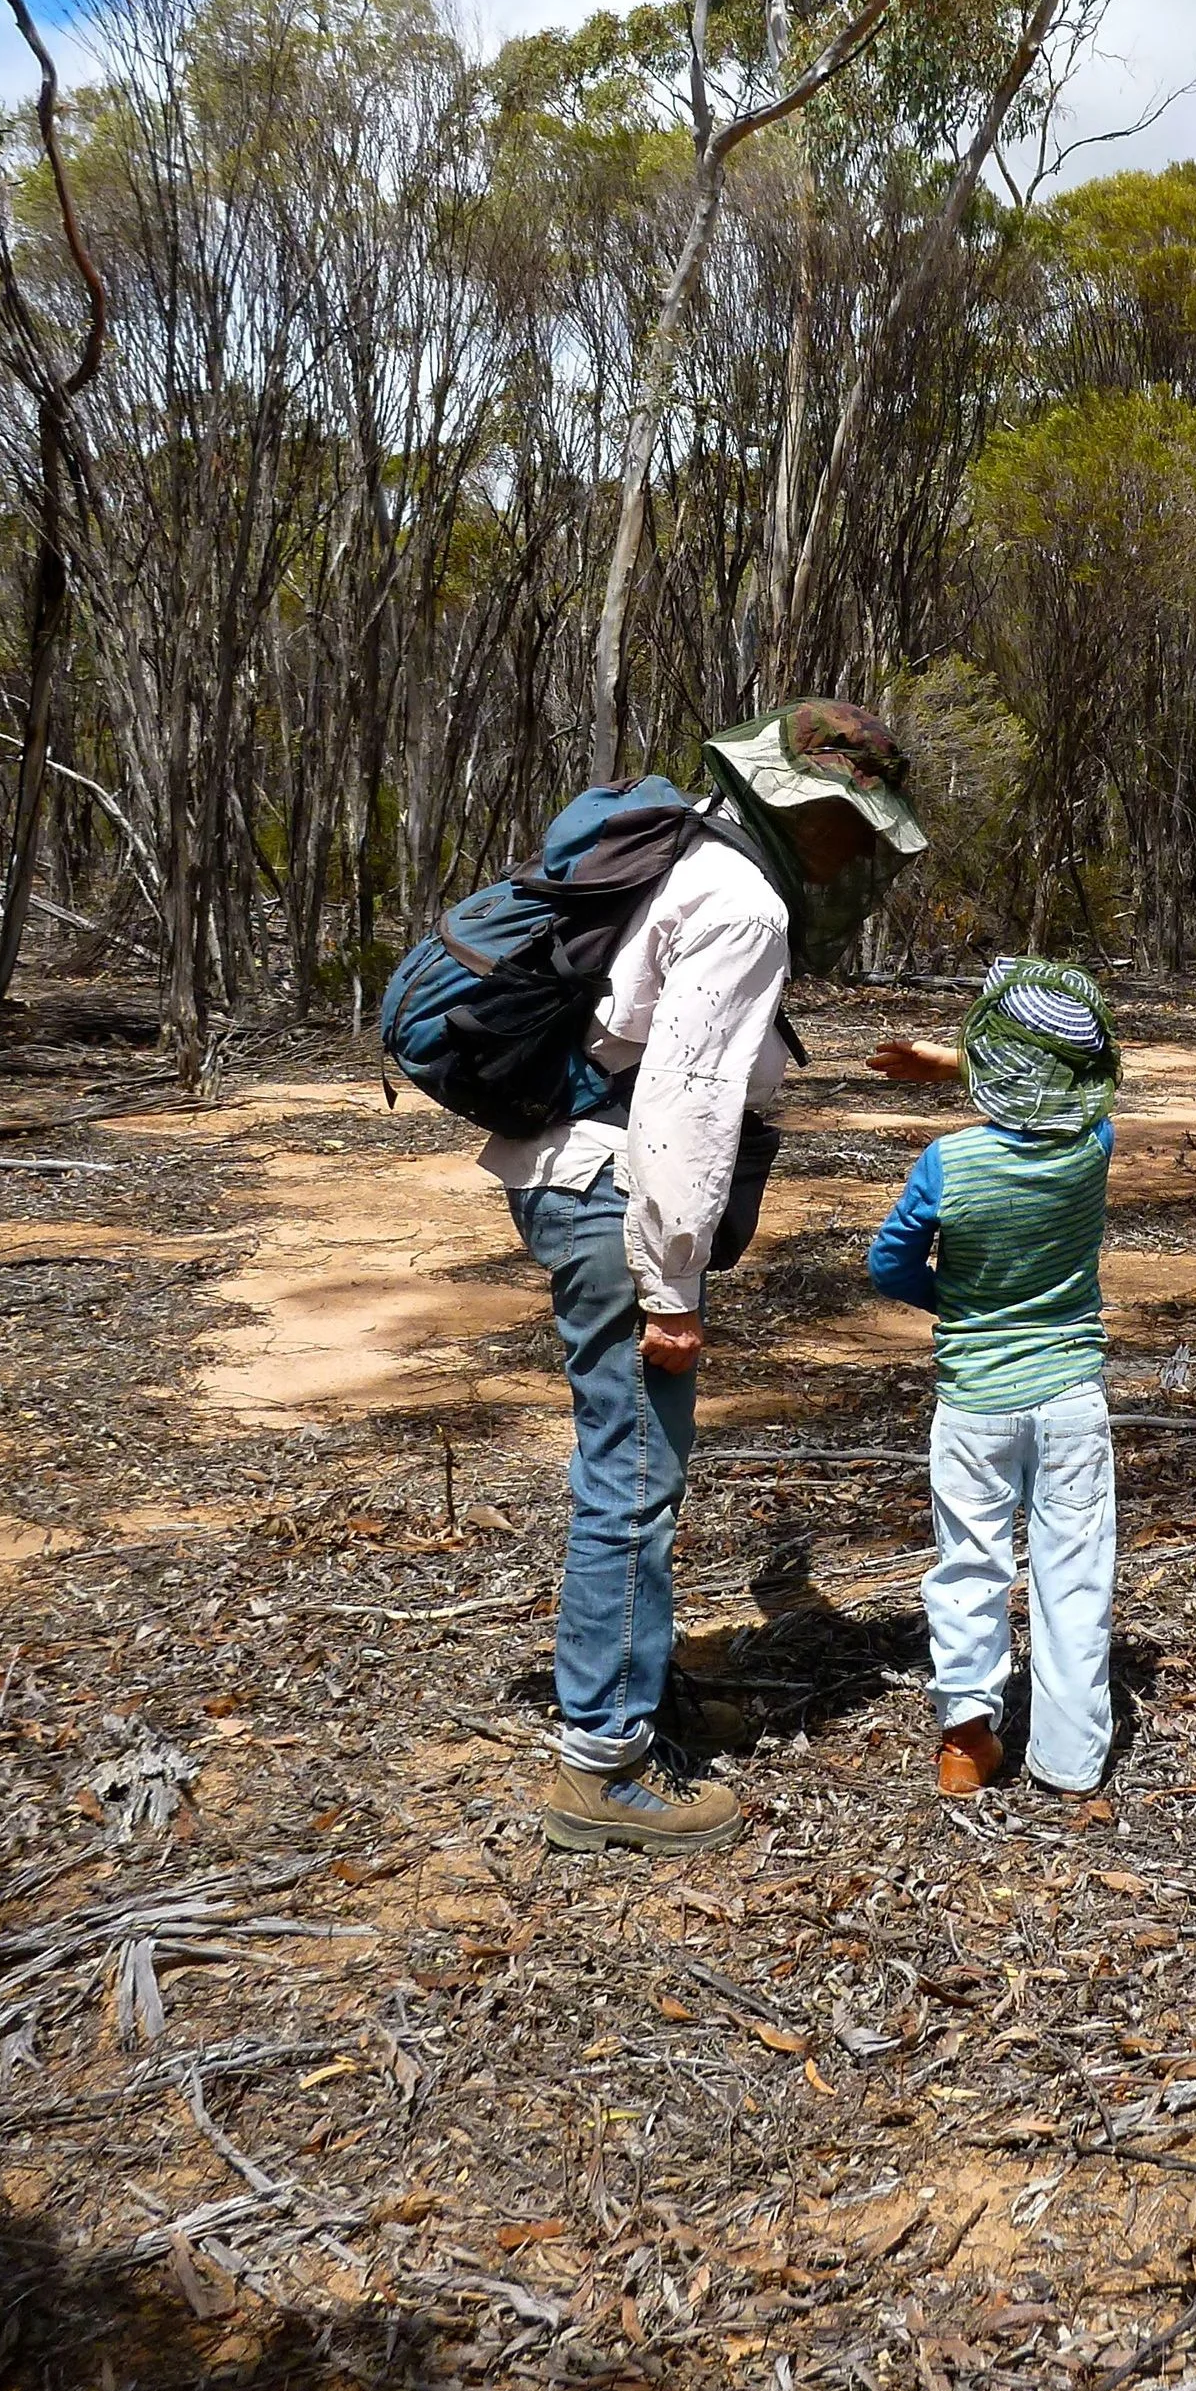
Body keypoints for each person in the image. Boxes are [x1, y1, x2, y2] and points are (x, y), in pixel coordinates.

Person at [485, 703, 926, 1856]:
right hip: (612, 1192)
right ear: (807, 804)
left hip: (571, 1172)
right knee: (632, 1474)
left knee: (634, 1464)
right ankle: (604, 1767)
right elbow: (684, 1109)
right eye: (856, 828)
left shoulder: (685, 847)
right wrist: (670, 1288)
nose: (860, 855)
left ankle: (645, 1700)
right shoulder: (743, 901)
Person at [866, 958, 1121, 1801]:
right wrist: (960, 1066)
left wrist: (954, 1301)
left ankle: (967, 1745)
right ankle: (1072, 1760)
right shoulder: (1094, 1145)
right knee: (1074, 1571)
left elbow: (888, 1262)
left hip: (974, 1399)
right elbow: (1082, 1090)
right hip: (1072, 1395)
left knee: (968, 1564)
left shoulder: (947, 1161)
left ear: (993, 1064)